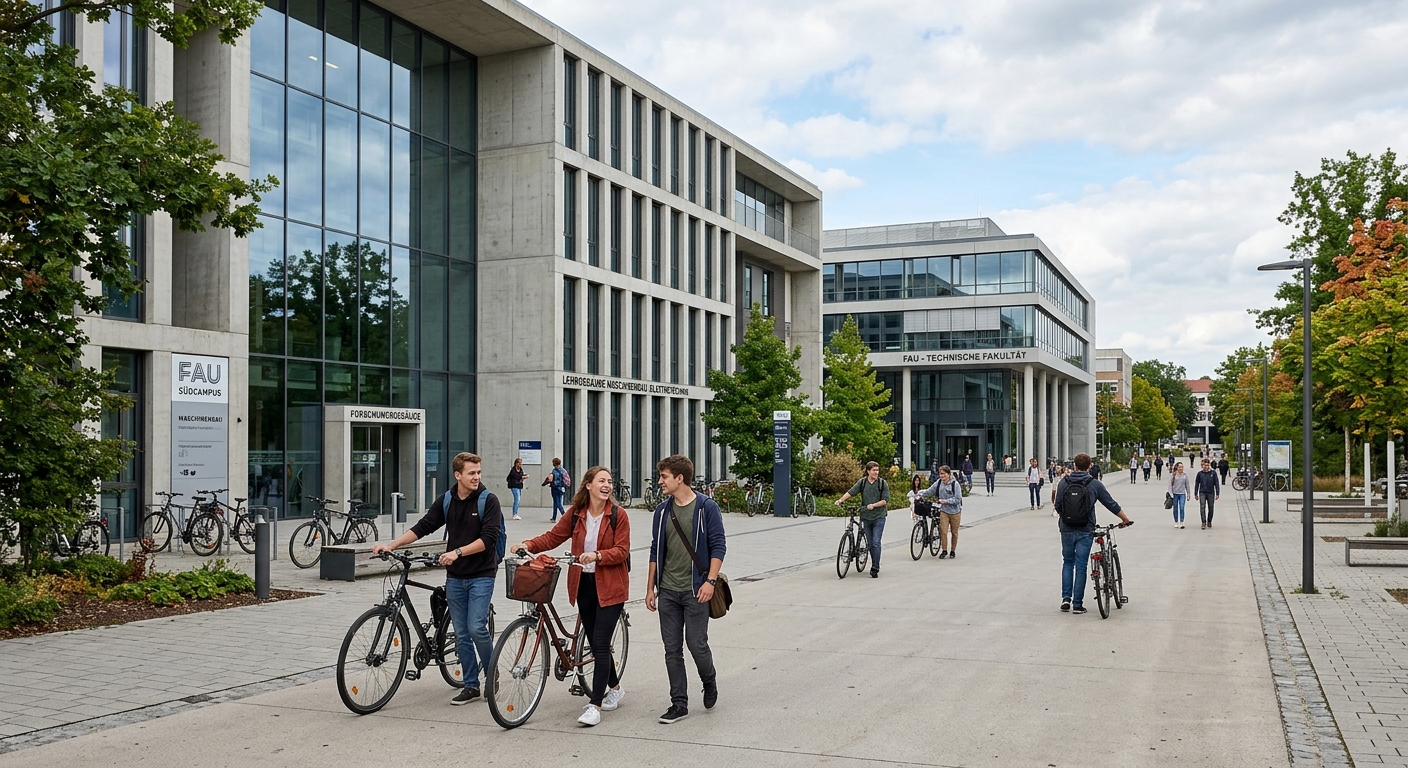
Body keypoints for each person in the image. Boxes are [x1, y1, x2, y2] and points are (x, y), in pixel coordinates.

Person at [372, 452, 501, 705]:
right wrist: (393, 545)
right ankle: (471, 685)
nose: (476, 477)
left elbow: (489, 539)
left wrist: (457, 552)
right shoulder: (447, 501)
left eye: (478, 472)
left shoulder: (489, 501)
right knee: (462, 633)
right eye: (471, 473)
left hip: (482, 574)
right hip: (455, 576)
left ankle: (491, 672)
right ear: (458, 475)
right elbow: (423, 526)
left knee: (476, 627)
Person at [514, 466, 630, 726]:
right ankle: (616, 687)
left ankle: (595, 705)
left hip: (611, 586)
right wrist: (528, 544)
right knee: (594, 638)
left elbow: (622, 550)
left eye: (610, 482)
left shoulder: (618, 515)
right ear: (588, 485)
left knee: (600, 643)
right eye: (602, 480)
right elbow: (553, 536)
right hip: (583, 584)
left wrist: (598, 556)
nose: (607, 485)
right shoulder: (577, 514)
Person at [646, 455, 726, 725]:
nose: (660, 482)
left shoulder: (706, 508)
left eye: (664, 477)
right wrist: (649, 589)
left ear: (680, 478)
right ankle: (678, 703)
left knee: (697, 645)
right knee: (672, 650)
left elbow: (718, 546)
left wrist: (710, 581)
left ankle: (709, 679)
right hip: (667, 591)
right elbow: (655, 551)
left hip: (696, 590)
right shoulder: (661, 511)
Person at [1056, 453, 1131, 615]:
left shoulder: (1064, 482)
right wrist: (1125, 519)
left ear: (1074, 466)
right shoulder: (1094, 484)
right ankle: (1077, 605)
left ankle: (1066, 599)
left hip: (1066, 528)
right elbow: (1110, 504)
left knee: (1068, 562)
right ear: (1090, 466)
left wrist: (1066, 518)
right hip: (1085, 529)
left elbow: (1057, 505)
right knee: (1081, 565)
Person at [835, 461, 890, 578]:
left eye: (877, 470)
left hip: (879, 516)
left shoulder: (882, 483)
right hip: (866, 517)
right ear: (868, 471)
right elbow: (851, 492)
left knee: (875, 542)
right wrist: (840, 500)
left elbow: (885, 500)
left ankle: (875, 567)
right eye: (874, 470)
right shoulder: (863, 483)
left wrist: (873, 505)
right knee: (870, 544)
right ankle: (868, 559)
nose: (876, 472)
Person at [917, 465, 963, 558]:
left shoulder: (955, 484)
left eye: (943, 474)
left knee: (954, 532)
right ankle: (944, 550)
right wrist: (919, 494)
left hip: (955, 512)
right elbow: (929, 491)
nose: (941, 476)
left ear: (948, 474)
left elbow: (958, 499)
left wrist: (946, 501)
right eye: (940, 474)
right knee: (943, 531)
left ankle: (953, 550)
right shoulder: (939, 483)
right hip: (944, 511)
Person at [1194, 458, 1221, 529]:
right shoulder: (1200, 474)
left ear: (1209, 465)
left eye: (1207, 465)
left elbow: (1216, 483)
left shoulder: (1213, 473)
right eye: (1204, 465)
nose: (1206, 466)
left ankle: (1209, 521)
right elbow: (1197, 483)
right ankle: (1203, 522)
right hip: (1202, 492)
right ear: (1202, 466)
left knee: (1211, 507)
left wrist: (1218, 493)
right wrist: (1195, 493)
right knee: (1202, 507)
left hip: (1211, 492)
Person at [542, 457, 569, 522]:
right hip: (561, 488)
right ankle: (553, 517)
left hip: (555, 488)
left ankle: (565, 516)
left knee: (557, 503)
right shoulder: (563, 470)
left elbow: (550, 479)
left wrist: (544, 483)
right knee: (556, 502)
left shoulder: (554, 471)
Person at [1168, 462, 1190, 528]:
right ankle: (1176, 521)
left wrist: (1188, 494)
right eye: (1179, 467)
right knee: (1175, 508)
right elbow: (1170, 485)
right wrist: (1171, 494)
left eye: (1182, 467)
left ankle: (1182, 521)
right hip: (1175, 494)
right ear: (1177, 467)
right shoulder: (1173, 475)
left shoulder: (1185, 475)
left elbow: (1187, 485)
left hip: (1182, 494)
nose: (1181, 468)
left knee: (1182, 507)